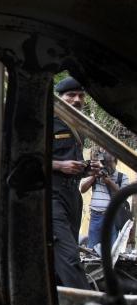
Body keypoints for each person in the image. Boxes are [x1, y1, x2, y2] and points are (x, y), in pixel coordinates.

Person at [51, 76, 99, 289]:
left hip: (73, 196)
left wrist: (88, 168)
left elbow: (74, 165)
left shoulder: (79, 128)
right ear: (59, 98)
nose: (77, 99)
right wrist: (59, 166)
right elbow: (23, 159)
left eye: (80, 95)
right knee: (69, 255)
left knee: (60, 256)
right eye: (71, 95)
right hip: (51, 195)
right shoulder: (46, 122)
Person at [80, 151, 129, 250]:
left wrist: (109, 182)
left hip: (112, 217)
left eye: (109, 163)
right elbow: (82, 189)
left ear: (115, 162)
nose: (107, 166)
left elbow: (124, 194)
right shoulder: (96, 174)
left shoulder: (122, 177)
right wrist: (94, 176)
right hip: (95, 217)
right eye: (105, 163)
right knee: (92, 251)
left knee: (111, 250)